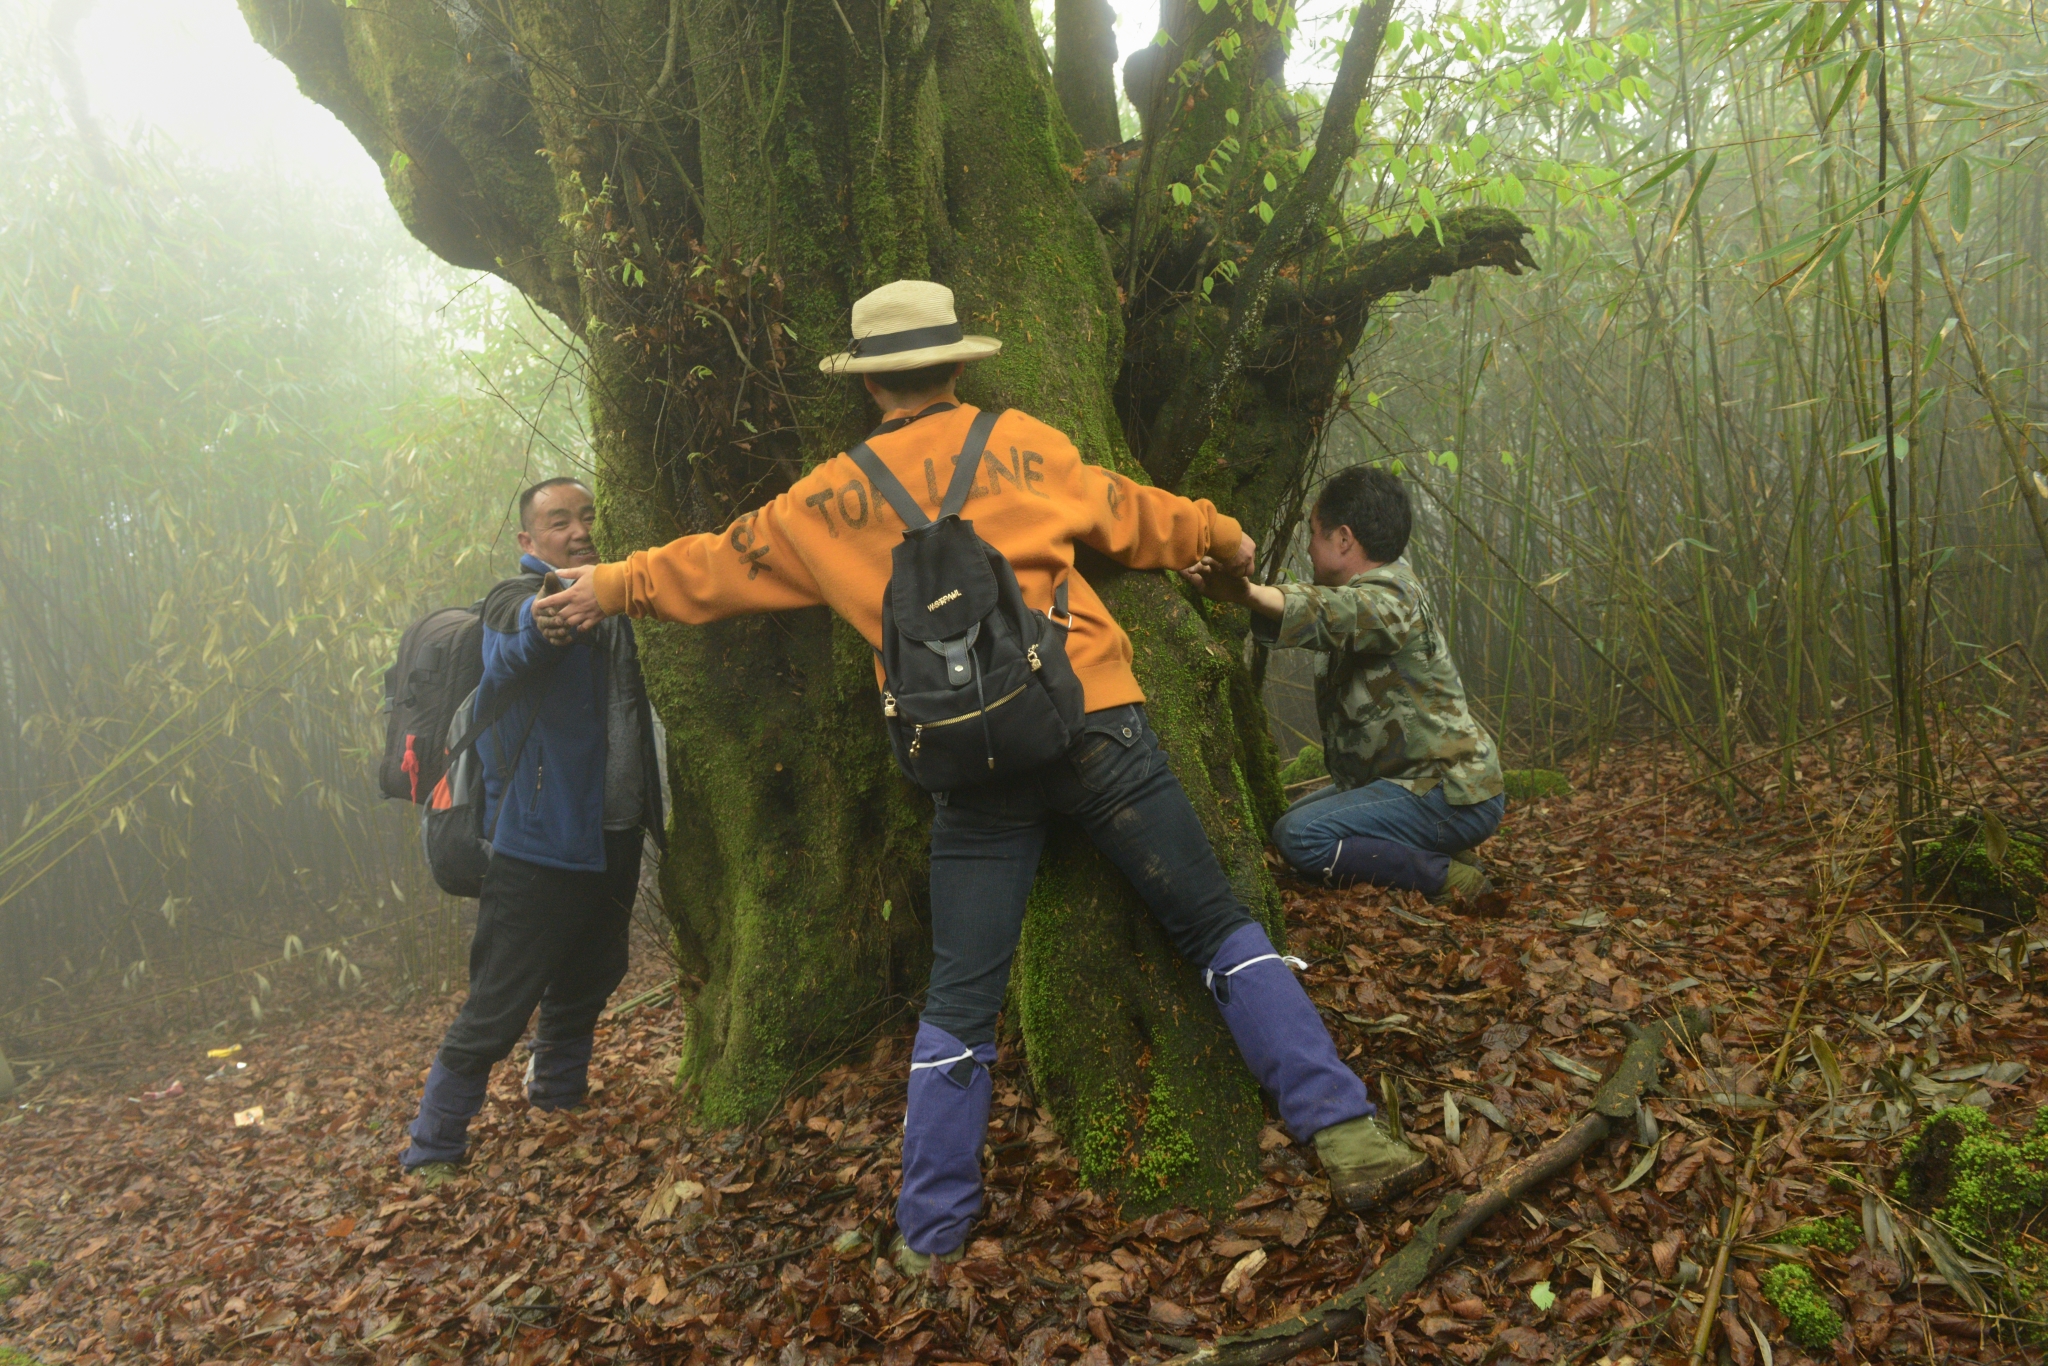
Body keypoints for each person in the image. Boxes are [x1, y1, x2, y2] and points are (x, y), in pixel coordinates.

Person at [535, 280, 1430, 1270]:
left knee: (959, 995)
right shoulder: (1031, 447)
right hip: (1095, 724)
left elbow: (713, 564)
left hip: (963, 765)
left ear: (870, 386)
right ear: (957, 363)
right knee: (1215, 924)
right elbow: (1140, 517)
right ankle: (1345, 1131)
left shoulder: (819, 503)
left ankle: (928, 1231)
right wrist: (1220, 538)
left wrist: (609, 587)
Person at [400, 477, 667, 1185]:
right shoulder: (511, 602)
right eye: (557, 522)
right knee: (498, 1001)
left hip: (612, 832)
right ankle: (431, 1145)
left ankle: (558, 1093)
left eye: (586, 517)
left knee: (593, 971)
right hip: (537, 842)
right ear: (528, 540)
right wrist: (548, 620)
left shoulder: (621, 594)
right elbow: (519, 638)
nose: (577, 531)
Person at [1184, 465, 1503, 902]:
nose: (1310, 547)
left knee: (1301, 836)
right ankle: (1450, 848)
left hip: (1448, 793)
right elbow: (1338, 613)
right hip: (1412, 785)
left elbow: (1341, 612)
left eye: (1315, 533)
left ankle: (1447, 877)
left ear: (1344, 538)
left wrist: (1247, 593)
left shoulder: (1395, 596)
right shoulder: (1373, 591)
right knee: (1286, 820)